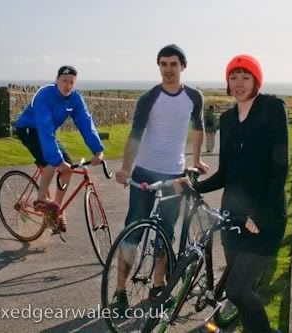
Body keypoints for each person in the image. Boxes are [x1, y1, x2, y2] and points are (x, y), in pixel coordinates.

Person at [177, 54, 288, 333]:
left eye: (245, 76)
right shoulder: (226, 118)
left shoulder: (273, 108)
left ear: (256, 80)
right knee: (240, 290)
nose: (238, 83)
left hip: (264, 217)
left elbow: (279, 167)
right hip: (232, 216)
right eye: (233, 77)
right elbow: (226, 173)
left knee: (237, 290)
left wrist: (261, 214)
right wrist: (197, 187)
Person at [112, 44, 209, 313]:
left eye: (173, 64)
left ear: (182, 66)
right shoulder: (149, 97)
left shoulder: (194, 97)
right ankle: (120, 291)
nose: (168, 69)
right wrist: (126, 168)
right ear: (159, 66)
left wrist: (197, 159)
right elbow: (135, 134)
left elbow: (198, 128)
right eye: (163, 64)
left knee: (166, 230)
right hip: (144, 170)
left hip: (174, 173)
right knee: (134, 229)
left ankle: (157, 285)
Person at [15, 65, 104, 232]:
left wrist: (98, 150)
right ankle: (41, 199)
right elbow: (45, 128)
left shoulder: (75, 99)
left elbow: (86, 123)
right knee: (52, 162)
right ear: (57, 80)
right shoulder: (44, 94)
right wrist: (57, 160)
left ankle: (55, 210)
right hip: (28, 128)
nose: (67, 85)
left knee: (68, 168)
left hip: (46, 132)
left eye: (71, 82)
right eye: (64, 81)